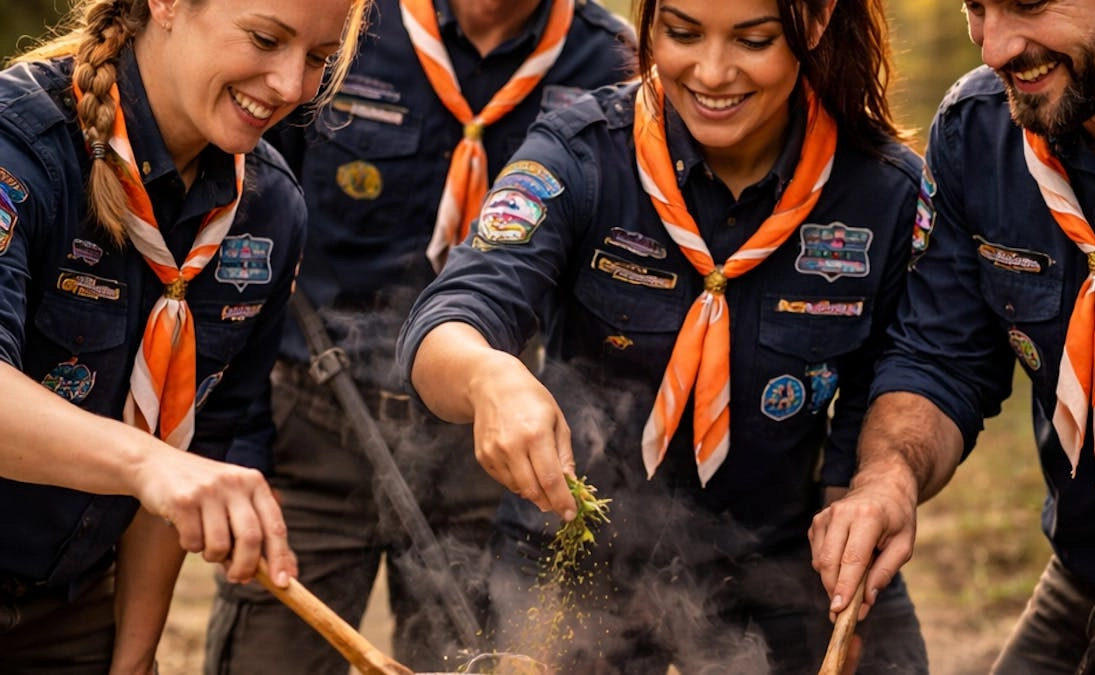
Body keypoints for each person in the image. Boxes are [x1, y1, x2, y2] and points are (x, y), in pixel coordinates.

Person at [398, 0, 930, 671]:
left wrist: (854, 538)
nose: (711, 72)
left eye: (754, 40)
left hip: (780, 559)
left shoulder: (881, 191)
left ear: (816, 22)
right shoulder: (580, 153)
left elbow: (886, 397)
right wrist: (487, 377)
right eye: (680, 33)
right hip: (572, 558)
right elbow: (450, 315)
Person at [203, 1, 634, 672]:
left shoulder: (615, 64)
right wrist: (245, 447)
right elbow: (246, 222)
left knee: (464, 658)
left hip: (481, 459)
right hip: (309, 439)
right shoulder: (335, 28)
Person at [809, 0, 1095, 671]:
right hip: (1085, 578)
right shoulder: (978, 132)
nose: (993, 48)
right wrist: (887, 476)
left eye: (1026, 4)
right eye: (976, 8)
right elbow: (940, 358)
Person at [0, 0, 370, 671]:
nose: (290, 86)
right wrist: (151, 467)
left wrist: (136, 655)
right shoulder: (19, 146)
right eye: (265, 39)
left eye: (318, 58)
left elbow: (192, 439)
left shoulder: (269, 210)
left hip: (72, 605)